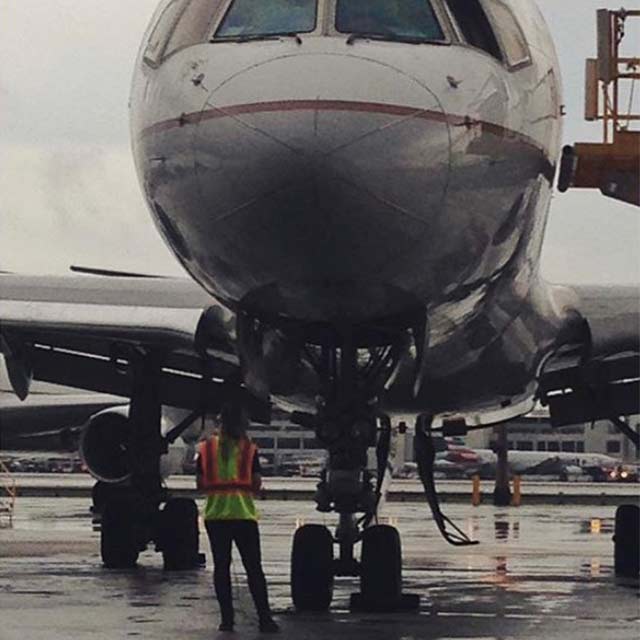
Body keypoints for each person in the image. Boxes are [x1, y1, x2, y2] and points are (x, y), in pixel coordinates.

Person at [197, 401, 279, 634]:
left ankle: (227, 621)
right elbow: (256, 483)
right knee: (254, 569)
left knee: (221, 568)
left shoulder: (206, 449)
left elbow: (200, 484)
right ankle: (265, 620)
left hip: (216, 516)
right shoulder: (249, 449)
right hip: (243, 515)